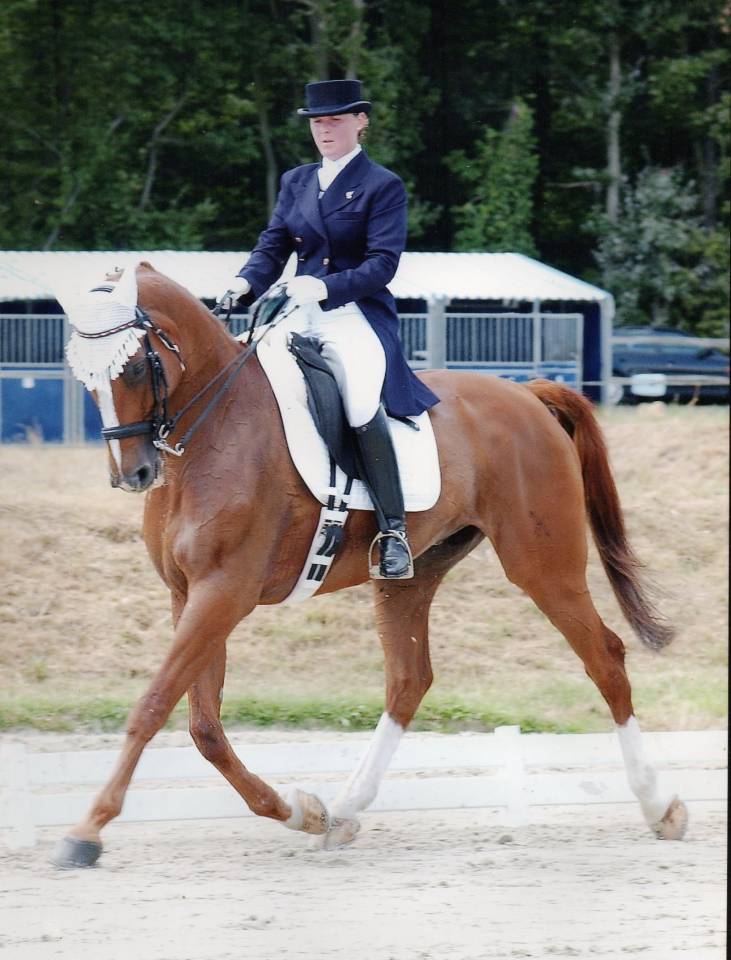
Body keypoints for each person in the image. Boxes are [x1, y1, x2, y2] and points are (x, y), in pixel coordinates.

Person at [219, 78, 439, 579]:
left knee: (359, 402)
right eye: (318, 122)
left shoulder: (382, 185)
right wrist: (243, 283)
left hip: (351, 312)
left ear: (361, 121)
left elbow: (383, 263)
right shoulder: (297, 181)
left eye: (335, 120)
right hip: (295, 309)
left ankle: (393, 531)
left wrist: (322, 286)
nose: (325, 130)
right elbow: (273, 245)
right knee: (247, 381)